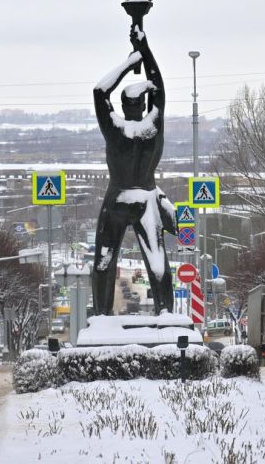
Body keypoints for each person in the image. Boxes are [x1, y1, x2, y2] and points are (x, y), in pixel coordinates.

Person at [91, 25, 176, 315]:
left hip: (117, 199)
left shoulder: (115, 129)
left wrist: (130, 63)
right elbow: (159, 87)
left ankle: (101, 316)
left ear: (124, 105)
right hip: (145, 200)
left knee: (104, 261)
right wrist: (145, 50)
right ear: (144, 103)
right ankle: (165, 315)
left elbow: (100, 91)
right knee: (157, 263)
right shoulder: (152, 127)